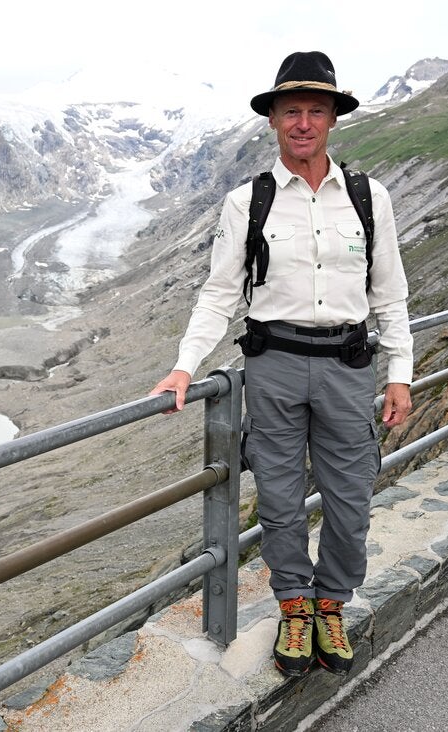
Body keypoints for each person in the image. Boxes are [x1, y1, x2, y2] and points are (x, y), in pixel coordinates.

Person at [150, 51, 413, 678]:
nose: (302, 122)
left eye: (315, 110)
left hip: (350, 366)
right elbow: (219, 293)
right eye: (290, 110)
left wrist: (400, 370)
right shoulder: (247, 202)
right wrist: (186, 365)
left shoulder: (368, 197)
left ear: (332, 119)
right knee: (279, 496)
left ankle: (332, 603)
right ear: (272, 120)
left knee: (351, 496)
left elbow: (391, 292)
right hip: (273, 366)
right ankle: (295, 606)